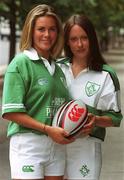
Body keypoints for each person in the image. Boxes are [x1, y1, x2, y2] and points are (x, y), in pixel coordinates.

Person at [2, 4, 73, 180]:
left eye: (52, 29)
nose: (47, 35)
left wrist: (79, 125)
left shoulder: (58, 68)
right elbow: (11, 112)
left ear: (58, 34)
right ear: (31, 31)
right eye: (41, 29)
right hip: (28, 145)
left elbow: (63, 109)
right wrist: (47, 129)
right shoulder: (20, 64)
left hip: (56, 146)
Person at [57, 14, 123, 180]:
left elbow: (115, 118)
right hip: (54, 147)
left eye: (84, 38)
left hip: (87, 149)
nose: (79, 44)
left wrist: (97, 120)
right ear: (67, 42)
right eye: (73, 39)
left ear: (92, 39)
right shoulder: (56, 69)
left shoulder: (105, 74)